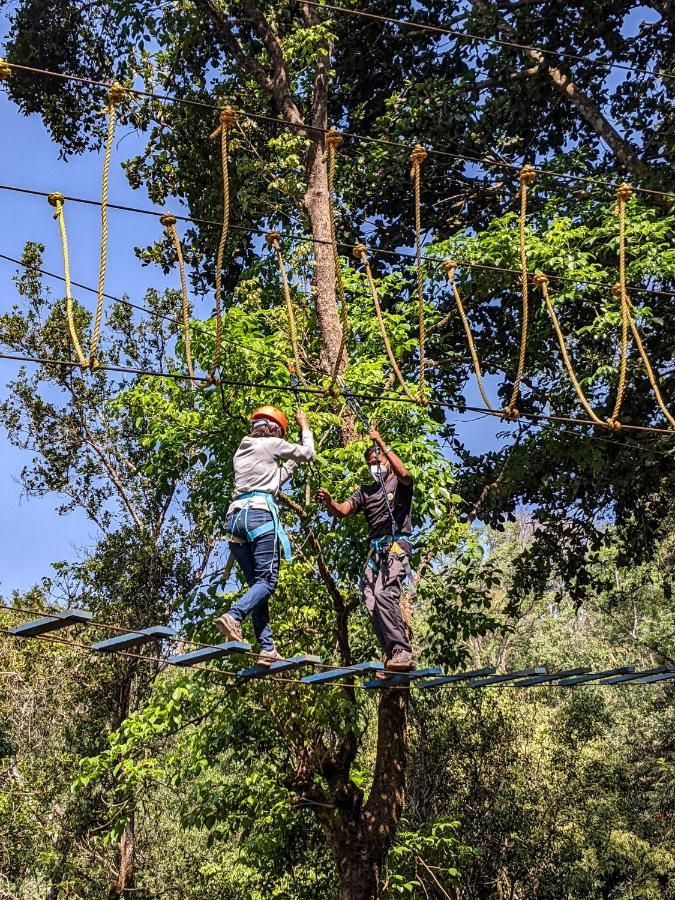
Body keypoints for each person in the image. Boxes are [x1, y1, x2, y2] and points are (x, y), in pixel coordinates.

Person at [215, 405, 315, 666]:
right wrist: (304, 426)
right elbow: (308, 453)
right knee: (267, 582)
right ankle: (234, 616)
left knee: (258, 587)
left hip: (235, 519)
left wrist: (290, 465)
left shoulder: (243, 449)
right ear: (275, 430)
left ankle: (267, 648)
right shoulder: (271, 443)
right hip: (259, 515)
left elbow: (273, 478)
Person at [317, 429, 414, 674]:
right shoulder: (365, 492)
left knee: (385, 595)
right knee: (371, 600)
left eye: (378, 461)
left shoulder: (398, 482)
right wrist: (329, 501)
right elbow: (343, 510)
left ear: (386, 460)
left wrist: (381, 441)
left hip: (396, 546)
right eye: (371, 464)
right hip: (376, 551)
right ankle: (393, 655)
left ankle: (403, 651)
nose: (375, 466)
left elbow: (404, 473)